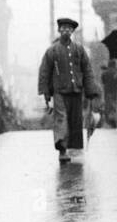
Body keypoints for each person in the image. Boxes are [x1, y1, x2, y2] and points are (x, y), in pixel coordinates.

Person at [38, 16, 100, 163]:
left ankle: (74, 148)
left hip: (76, 91)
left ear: (72, 31)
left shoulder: (79, 49)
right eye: (63, 28)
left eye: (69, 28)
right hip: (59, 92)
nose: (66, 31)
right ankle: (62, 150)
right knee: (61, 119)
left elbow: (87, 70)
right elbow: (44, 72)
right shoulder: (52, 51)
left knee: (75, 121)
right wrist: (46, 93)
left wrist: (90, 90)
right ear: (59, 30)